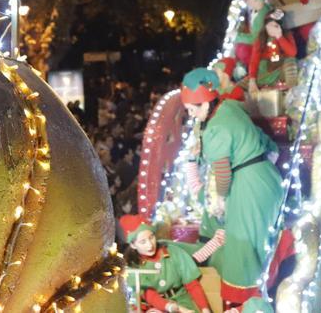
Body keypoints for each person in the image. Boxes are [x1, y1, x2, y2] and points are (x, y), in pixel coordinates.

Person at [180, 68, 285, 306]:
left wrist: (220, 198)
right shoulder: (230, 107)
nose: (191, 115)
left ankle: (245, 303)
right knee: (261, 242)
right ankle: (267, 292)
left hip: (249, 186)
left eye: (193, 109)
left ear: (205, 103)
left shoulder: (215, 129)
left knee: (242, 246)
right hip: (266, 176)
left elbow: (223, 176)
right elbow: (261, 139)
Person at [119, 215, 212, 313]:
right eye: (143, 242)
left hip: (183, 301)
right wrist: (171, 307)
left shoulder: (174, 252)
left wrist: (205, 308)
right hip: (155, 306)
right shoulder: (132, 265)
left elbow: (192, 285)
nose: (150, 245)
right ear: (133, 245)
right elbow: (150, 295)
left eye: (151, 237)